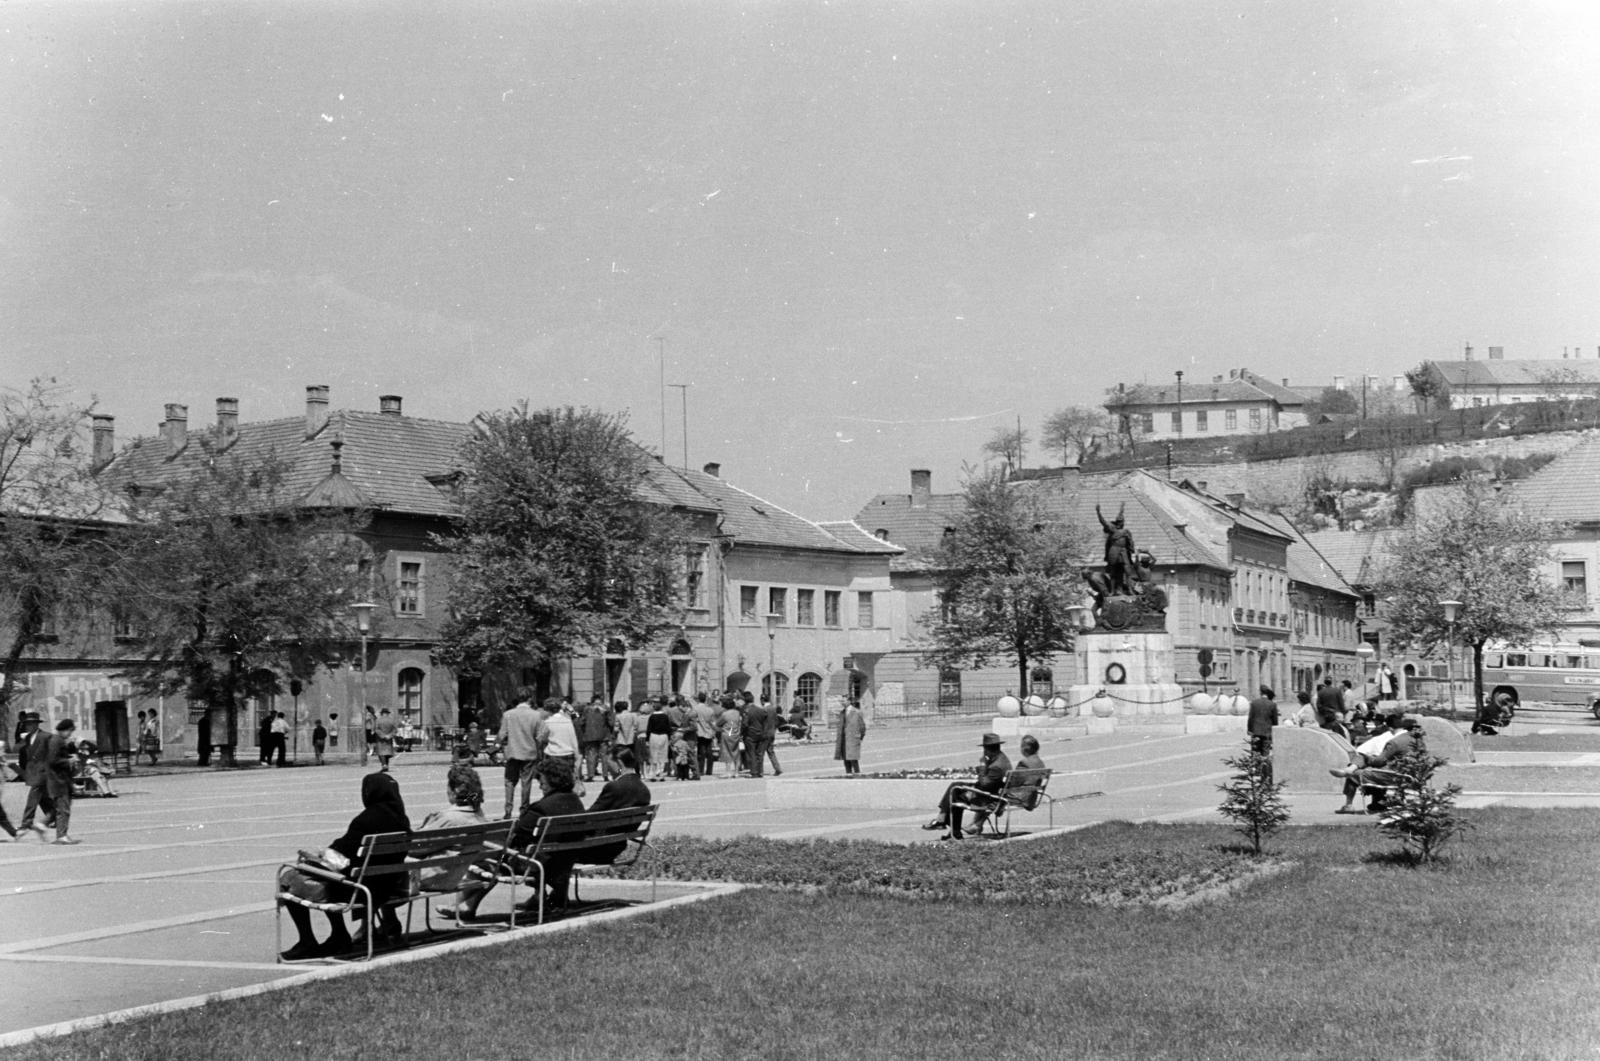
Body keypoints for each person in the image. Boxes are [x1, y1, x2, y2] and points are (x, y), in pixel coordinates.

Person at [277, 771, 411, 960]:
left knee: (290, 878)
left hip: (358, 890)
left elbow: (339, 855)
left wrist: (314, 857)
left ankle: (310, 940)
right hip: (387, 887)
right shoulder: (402, 820)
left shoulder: (365, 820)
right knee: (326, 875)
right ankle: (337, 936)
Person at [467, 758, 586, 918]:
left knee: (487, 856)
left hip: (538, 864)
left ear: (552, 780)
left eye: (542, 781)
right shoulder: (576, 802)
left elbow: (516, 832)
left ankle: (467, 906)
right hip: (564, 860)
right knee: (530, 847)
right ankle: (540, 898)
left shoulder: (542, 808)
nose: (540, 785)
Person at [418, 762, 494, 921]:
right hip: (458, 874)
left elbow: (417, 848)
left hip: (433, 876)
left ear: (453, 791)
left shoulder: (449, 819)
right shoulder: (479, 816)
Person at [922, 733, 1012, 841]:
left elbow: (984, 784)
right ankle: (945, 823)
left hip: (986, 797)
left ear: (987, 749)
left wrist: (982, 765)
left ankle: (948, 825)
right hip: (992, 791)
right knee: (955, 786)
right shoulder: (1001, 758)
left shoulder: (996, 766)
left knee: (955, 794)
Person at [1330, 713, 1419, 814]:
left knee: (1355, 773)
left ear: (1390, 728)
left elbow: (1380, 761)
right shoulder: (1415, 740)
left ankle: (1348, 804)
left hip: (1392, 776)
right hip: (1409, 775)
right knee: (1366, 765)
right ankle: (1376, 801)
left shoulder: (1395, 742)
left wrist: (1368, 758)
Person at [498, 689, 541, 818]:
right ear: (529, 698)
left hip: (512, 752)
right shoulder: (536, 715)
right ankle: (524, 809)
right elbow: (541, 735)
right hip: (529, 752)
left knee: (509, 781)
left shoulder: (508, 714)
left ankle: (508, 809)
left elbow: (502, 735)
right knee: (526, 782)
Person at [17, 713, 55, 841]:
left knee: (33, 798)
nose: (28, 726)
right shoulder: (27, 738)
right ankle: (53, 818)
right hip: (33, 772)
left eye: (31, 723)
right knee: (44, 799)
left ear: (36, 724)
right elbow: (24, 754)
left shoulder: (46, 736)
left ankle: (25, 824)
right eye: (27, 724)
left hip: (44, 772)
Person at [43, 719, 80, 844]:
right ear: (64, 730)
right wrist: (68, 761)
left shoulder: (58, 740)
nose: (70, 734)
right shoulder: (56, 741)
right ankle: (61, 835)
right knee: (63, 809)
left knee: (61, 808)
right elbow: (52, 760)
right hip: (58, 781)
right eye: (69, 731)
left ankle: (45, 826)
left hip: (61, 780)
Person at [1096, 502, 1139, 596]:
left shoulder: (1126, 531)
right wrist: (1098, 512)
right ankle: (1112, 591)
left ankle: (1130, 589)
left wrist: (1122, 508)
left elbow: (1130, 542)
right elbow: (1103, 522)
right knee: (1113, 572)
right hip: (1114, 551)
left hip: (1124, 552)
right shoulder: (1112, 529)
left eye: (1122, 521)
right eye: (1119, 521)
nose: (1121, 523)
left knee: (1128, 571)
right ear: (1117, 522)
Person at [578, 696, 616, 783]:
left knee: (591, 755)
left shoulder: (587, 709)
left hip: (590, 735)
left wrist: (585, 731)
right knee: (604, 755)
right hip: (604, 735)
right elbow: (611, 722)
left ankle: (590, 776)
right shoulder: (606, 709)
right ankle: (605, 775)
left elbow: (582, 722)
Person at [1247, 685, 1279, 769]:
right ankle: (1264, 770)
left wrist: (1249, 729)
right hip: (1267, 732)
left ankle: (1256, 769)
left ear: (1260, 692)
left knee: (1255, 751)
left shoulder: (1254, 703)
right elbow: (1275, 720)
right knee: (1265, 752)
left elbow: (1251, 717)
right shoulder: (1272, 704)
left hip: (1256, 731)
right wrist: (1275, 731)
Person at [834, 698, 867, 775]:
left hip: (853, 738)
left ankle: (857, 773)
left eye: (843, 701)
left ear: (849, 701)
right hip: (844, 738)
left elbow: (862, 726)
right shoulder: (842, 712)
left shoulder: (856, 712)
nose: (842, 703)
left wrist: (860, 737)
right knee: (845, 757)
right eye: (841, 701)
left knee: (853, 758)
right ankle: (848, 773)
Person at [741, 691, 770, 777]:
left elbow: (745, 724)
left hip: (750, 734)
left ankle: (754, 772)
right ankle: (760, 771)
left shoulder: (747, 711)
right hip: (761, 733)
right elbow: (766, 721)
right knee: (760, 754)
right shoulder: (760, 710)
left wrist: (741, 733)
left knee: (752, 753)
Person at [692, 693, 719, 778]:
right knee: (709, 751)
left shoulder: (695, 708)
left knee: (701, 751)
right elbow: (713, 721)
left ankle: (701, 770)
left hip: (700, 731)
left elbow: (693, 719)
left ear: (698, 699)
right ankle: (709, 770)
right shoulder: (710, 709)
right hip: (709, 731)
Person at [645, 701, 673, 782]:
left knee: (653, 755)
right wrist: (669, 738)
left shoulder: (652, 717)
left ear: (654, 708)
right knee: (663, 755)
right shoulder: (665, 716)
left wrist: (647, 739)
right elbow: (668, 728)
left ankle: (653, 774)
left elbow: (649, 728)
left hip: (654, 736)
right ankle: (661, 774)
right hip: (664, 736)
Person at [718, 695, 744, 776]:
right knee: (737, 753)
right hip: (736, 733)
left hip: (727, 733)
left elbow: (718, 723)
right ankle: (736, 772)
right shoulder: (737, 713)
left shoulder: (725, 714)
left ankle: (728, 771)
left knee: (727, 752)